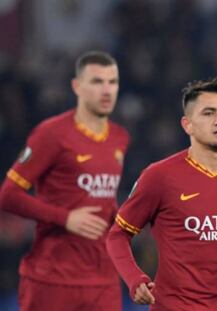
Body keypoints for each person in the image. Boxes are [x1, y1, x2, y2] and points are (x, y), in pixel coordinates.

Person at [106, 77, 217, 311]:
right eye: (209, 113)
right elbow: (117, 236)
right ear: (187, 124)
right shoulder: (159, 176)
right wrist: (134, 279)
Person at [0, 51, 130, 311]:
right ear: (77, 87)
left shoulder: (119, 138)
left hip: (103, 281)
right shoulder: (51, 134)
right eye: (97, 82)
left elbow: (103, 198)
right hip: (53, 278)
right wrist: (66, 218)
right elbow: (8, 195)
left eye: (112, 82)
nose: (106, 90)